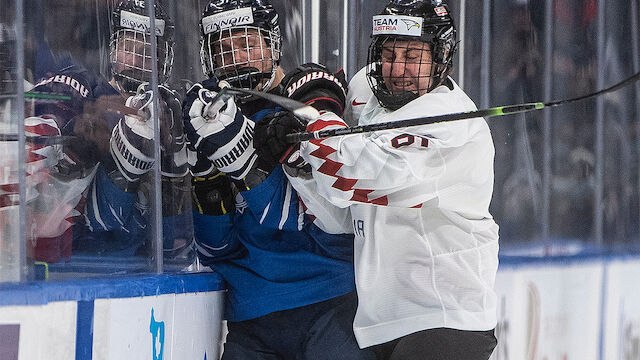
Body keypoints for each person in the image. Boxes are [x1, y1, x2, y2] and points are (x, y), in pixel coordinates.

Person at [255, 1, 499, 359]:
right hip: (377, 322)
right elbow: (342, 215)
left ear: (441, 56)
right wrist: (298, 163)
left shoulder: (455, 127)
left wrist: (314, 124)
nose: (398, 69)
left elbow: (358, 176)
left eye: (413, 55)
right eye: (389, 53)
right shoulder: (365, 93)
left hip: (446, 318)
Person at [182, 1, 374, 359]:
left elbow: (335, 219)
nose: (236, 58)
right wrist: (204, 178)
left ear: (272, 45)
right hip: (252, 317)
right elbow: (215, 249)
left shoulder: (301, 103)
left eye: (246, 44)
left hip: (332, 304)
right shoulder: (207, 120)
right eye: (223, 50)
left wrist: (247, 162)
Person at [15, 0, 192, 264]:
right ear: (112, 48)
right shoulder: (77, 91)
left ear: (165, 60)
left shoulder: (176, 111)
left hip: (141, 273)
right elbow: (23, 177)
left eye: (149, 51)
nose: (138, 61)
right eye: (128, 48)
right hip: (71, 266)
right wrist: (74, 147)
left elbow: (177, 242)